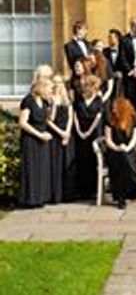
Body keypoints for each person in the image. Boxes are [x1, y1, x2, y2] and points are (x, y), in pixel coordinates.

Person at [19, 78, 53, 207]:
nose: (51, 90)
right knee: (32, 169)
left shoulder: (44, 101)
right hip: (31, 140)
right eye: (49, 88)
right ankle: (30, 200)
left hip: (42, 139)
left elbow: (48, 119)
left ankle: (39, 198)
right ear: (42, 87)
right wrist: (39, 135)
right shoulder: (28, 100)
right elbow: (22, 123)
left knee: (41, 169)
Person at [105, 97, 136, 209]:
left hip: (129, 151)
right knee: (121, 161)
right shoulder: (110, 120)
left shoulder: (133, 119)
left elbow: (134, 138)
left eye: (116, 107)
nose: (113, 109)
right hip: (114, 152)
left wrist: (127, 148)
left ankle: (125, 193)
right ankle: (122, 198)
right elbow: (108, 140)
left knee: (124, 159)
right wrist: (117, 147)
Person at [73, 75, 103, 199]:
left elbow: (98, 118)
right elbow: (74, 114)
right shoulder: (79, 99)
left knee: (92, 160)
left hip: (93, 132)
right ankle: (81, 190)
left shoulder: (98, 100)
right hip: (79, 132)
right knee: (81, 161)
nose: (85, 87)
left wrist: (89, 132)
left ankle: (92, 190)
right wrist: (79, 130)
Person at [47, 75, 74, 203]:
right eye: (54, 82)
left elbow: (70, 117)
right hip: (55, 133)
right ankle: (56, 196)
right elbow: (49, 120)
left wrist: (67, 132)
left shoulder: (67, 99)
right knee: (56, 165)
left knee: (67, 164)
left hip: (67, 134)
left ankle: (67, 195)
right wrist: (54, 105)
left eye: (59, 82)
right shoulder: (50, 99)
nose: (57, 84)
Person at [92, 39, 114, 105]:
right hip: (90, 96)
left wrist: (102, 100)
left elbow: (110, 86)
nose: (99, 49)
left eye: (101, 47)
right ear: (93, 47)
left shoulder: (106, 62)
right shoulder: (88, 61)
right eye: (98, 46)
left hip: (104, 96)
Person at [104, 29, 124, 98]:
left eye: (111, 38)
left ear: (117, 38)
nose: (109, 40)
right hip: (109, 79)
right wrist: (112, 74)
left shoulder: (124, 50)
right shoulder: (104, 51)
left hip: (122, 80)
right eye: (108, 38)